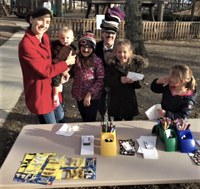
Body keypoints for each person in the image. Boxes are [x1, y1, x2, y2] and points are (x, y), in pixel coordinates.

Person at [18, 7, 75, 124]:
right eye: (41, 20)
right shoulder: (27, 45)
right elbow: (45, 71)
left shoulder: (45, 37)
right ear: (31, 19)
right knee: (50, 127)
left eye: (48, 22)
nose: (44, 25)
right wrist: (66, 63)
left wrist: (64, 71)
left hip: (53, 88)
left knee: (61, 118)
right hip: (41, 92)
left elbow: (53, 60)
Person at [105, 39, 148, 121]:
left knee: (128, 122)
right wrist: (119, 80)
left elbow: (141, 82)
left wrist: (134, 81)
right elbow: (107, 80)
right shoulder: (111, 64)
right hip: (115, 99)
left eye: (125, 52)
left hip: (129, 100)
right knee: (116, 122)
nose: (122, 54)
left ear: (130, 52)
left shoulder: (135, 65)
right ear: (115, 52)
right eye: (119, 52)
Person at [95, 6, 125, 120]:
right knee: (102, 109)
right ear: (102, 33)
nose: (110, 36)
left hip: (116, 84)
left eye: (112, 33)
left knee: (116, 110)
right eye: (107, 33)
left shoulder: (120, 48)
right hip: (100, 84)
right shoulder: (96, 47)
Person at [70, 32, 105, 122]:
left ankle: (90, 134)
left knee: (90, 119)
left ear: (93, 48)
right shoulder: (75, 58)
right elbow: (71, 72)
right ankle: (85, 135)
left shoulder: (97, 61)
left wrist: (89, 94)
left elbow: (100, 79)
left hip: (92, 97)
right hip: (79, 95)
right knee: (84, 118)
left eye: (89, 47)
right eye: (83, 47)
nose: (86, 50)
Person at [51, 26, 76, 107]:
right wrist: (64, 71)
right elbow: (56, 61)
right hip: (58, 68)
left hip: (67, 69)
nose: (65, 40)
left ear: (72, 38)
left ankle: (59, 91)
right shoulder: (57, 47)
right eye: (62, 38)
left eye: (67, 38)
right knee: (56, 78)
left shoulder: (72, 48)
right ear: (59, 38)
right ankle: (55, 95)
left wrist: (68, 71)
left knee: (61, 84)